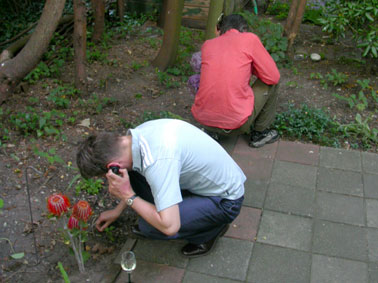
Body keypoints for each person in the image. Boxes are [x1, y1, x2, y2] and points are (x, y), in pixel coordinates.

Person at [76, 119, 245, 257]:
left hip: (225, 200)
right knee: (134, 173)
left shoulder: (158, 161)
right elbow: (136, 173)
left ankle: (209, 232)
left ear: (112, 166)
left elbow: (170, 226)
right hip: (201, 181)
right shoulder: (136, 138)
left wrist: (128, 196)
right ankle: (189, 209)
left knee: (151, 226)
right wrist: (118, 210)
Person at [191, 14, 281, 148]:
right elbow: (273, 76)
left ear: (219, 29)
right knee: (273, 82)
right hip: (236, 124)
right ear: (244, 30)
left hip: (204, 120)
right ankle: (259, 133)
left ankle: (212, 132)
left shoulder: (208, 44)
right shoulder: (249, 39)